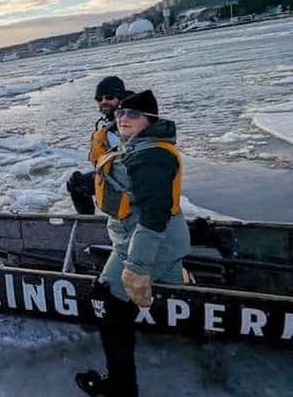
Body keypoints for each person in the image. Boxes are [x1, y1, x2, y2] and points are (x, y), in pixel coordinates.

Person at [76, 90, 190, 397]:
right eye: (121, 114)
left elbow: (154, 215)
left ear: (150, 120)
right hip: (140, 239)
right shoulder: (137, 145)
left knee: (109, 302)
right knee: (127, 293)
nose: (124, 118)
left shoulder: (152, 156)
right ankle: (177, 280)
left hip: (152, 242)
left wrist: (137, 268)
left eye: (133, 114)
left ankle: (122, 387)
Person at [66, 76, 131, 214]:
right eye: (99, 99)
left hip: (130, 177)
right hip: (113, 172)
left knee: (78, 184)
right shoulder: (109, 123)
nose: (103, 102)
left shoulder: (132, 119)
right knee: (76, 184)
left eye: (109, 97)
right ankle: (87, 223)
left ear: (121, 97)